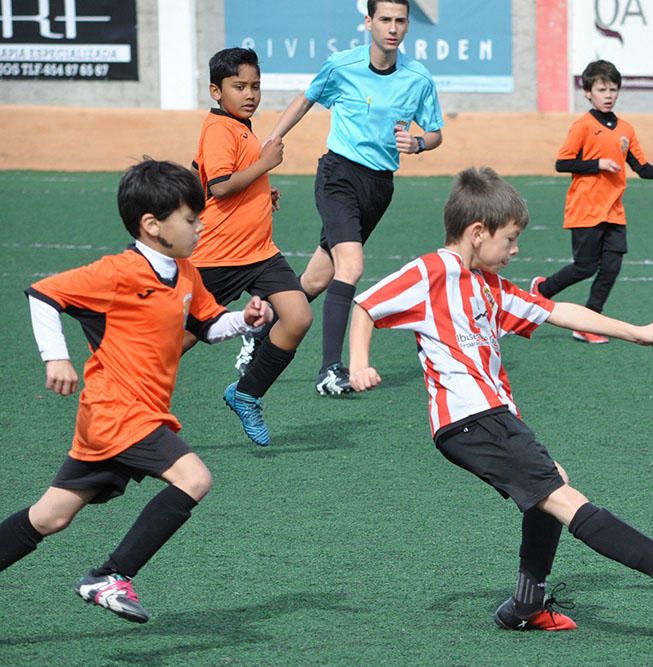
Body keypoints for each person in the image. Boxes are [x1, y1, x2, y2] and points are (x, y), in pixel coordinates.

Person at [347, 167, 653, 631]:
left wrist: (633, 333)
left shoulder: (486, 284)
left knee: (552, 483)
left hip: (489, 418)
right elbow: (366, 304)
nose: (515, 250)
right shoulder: (432, 270)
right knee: (563, 498)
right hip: (471, 419)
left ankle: (525, 604)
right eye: (510, 239)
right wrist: (359, 362)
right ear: (478, 233)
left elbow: (556, 311)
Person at [0, 160, 273, 623]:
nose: (200, 226)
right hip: (117, 413)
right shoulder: (117, 272)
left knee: (50, 517)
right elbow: (43, 294)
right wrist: (56, 357)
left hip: (122, 420)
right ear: (152, 225)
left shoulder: (184, 271)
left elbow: (206, 325)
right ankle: (110, 575)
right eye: (190, 218)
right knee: (195, 478)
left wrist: (243, 322)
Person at [241, 0, 444, 396]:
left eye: (401, 20)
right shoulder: (342, 65)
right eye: (385, 19)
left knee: (318, 278)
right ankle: (330, 370)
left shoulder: (418, 78)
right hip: (338, 175)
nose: (393, 28)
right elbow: (306, 98)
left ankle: (261, 331)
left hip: (379, 186)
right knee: (349, 267)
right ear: (368, 22)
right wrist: (273, 137)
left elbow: (435, 132)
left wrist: (419, 143)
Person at [189, 47, 312, 447]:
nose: (250, 94)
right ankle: (129, 401)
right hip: (218, 256)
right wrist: (264, 166)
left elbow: (206, 176)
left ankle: (246, 393)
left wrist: (261, 191)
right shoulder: (220, 129)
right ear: (215, 90)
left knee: (297, 318)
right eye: (238, 86)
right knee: (181, 341)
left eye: (255, 86)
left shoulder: (238, 126)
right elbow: (220, 185)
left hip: (260, 253)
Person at [532, 60, 653, 344]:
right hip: (585, 209)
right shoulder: (582, 126)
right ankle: (542, 291)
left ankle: (588, 321)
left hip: (614, 211)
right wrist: (598, 163)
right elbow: (562, 162)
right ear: (588, 93)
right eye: (601, 89)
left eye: (613, 89)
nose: (608, 95)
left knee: (612, 267)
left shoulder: (626, 129)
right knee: (585, 267)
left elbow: (641, 167)